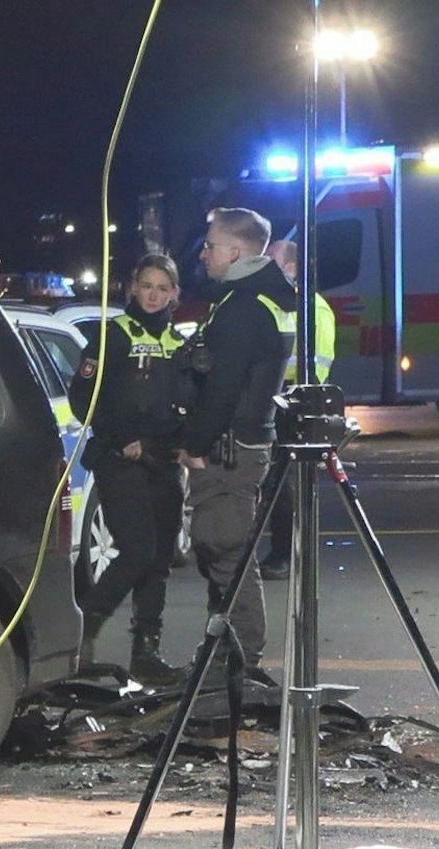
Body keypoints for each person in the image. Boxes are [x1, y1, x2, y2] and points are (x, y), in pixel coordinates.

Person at [176, 207, 298, 676]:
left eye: (210, 245)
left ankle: (241, 656)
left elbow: (224, 388)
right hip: (246, 442)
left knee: (224, 547)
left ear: (237, 251)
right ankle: (226, 648)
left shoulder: (243, 307)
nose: (204, 253)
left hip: (230, 447)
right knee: (222, 549)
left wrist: (197, 446)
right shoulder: (260, 297)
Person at [68, 254, 190, 685]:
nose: (154, 295)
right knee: (136, 551)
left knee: (158, 560)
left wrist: (189, 446)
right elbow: (83, 399)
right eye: (147, 285)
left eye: (163, 287)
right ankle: (82, 636)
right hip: (121, 461)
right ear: (133, 288)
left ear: (175, 293)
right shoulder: (111, 336)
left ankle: (146, 652)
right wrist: (123, 440)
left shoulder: (181, 344)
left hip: (166, 462)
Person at [258, 237, 338, 580]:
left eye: (272, 263)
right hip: (280, 399)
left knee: (284, 484)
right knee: (275, 483)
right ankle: (282, 551)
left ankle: (284, 554)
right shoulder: (289, 303)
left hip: (297, 404)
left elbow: (310, 366)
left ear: (291, 268)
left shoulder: (310, 308)